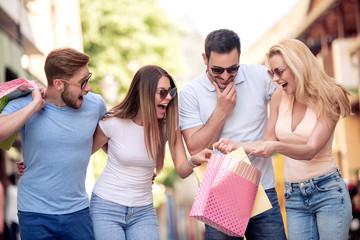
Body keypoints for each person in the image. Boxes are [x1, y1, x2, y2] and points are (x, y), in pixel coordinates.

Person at [215, 39, 353, 240]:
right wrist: (236, 145)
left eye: (279, 71)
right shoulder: (279, 97)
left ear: (298, 64)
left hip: (327, 191)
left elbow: (311, 149)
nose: (276, 79)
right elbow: (267, 142)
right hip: (294, 196)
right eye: (272, 73)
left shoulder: (329, 96)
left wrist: (276, 146)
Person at [179, 29, 286, 240]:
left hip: (262, 186)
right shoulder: (191, 92)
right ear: (204, 59)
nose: (226, 76)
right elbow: (194, 148)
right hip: (219, 192)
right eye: (217, 70)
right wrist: (221, 110)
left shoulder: (259, 76)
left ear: (239, 58)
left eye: (232, 69)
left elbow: (286, 90)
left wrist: (269, 138)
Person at [89, 65, 213, 240]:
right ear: (144, 93)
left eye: (171, 92)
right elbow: (82, 153)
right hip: (106, 207)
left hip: (143, 211)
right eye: (162, 92)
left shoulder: (167, 126)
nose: (169, 97)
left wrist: (194, 160)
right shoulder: (113, 122)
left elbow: (182, 170)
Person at [0, 48, 107, 240]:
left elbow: (111, 136)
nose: (89, 88)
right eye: (83, 82)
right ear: (58, 84)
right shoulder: (25, 103)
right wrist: (34, 106)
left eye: (88, 78)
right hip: (34, 213)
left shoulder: (95, 105)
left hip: (78, 213)